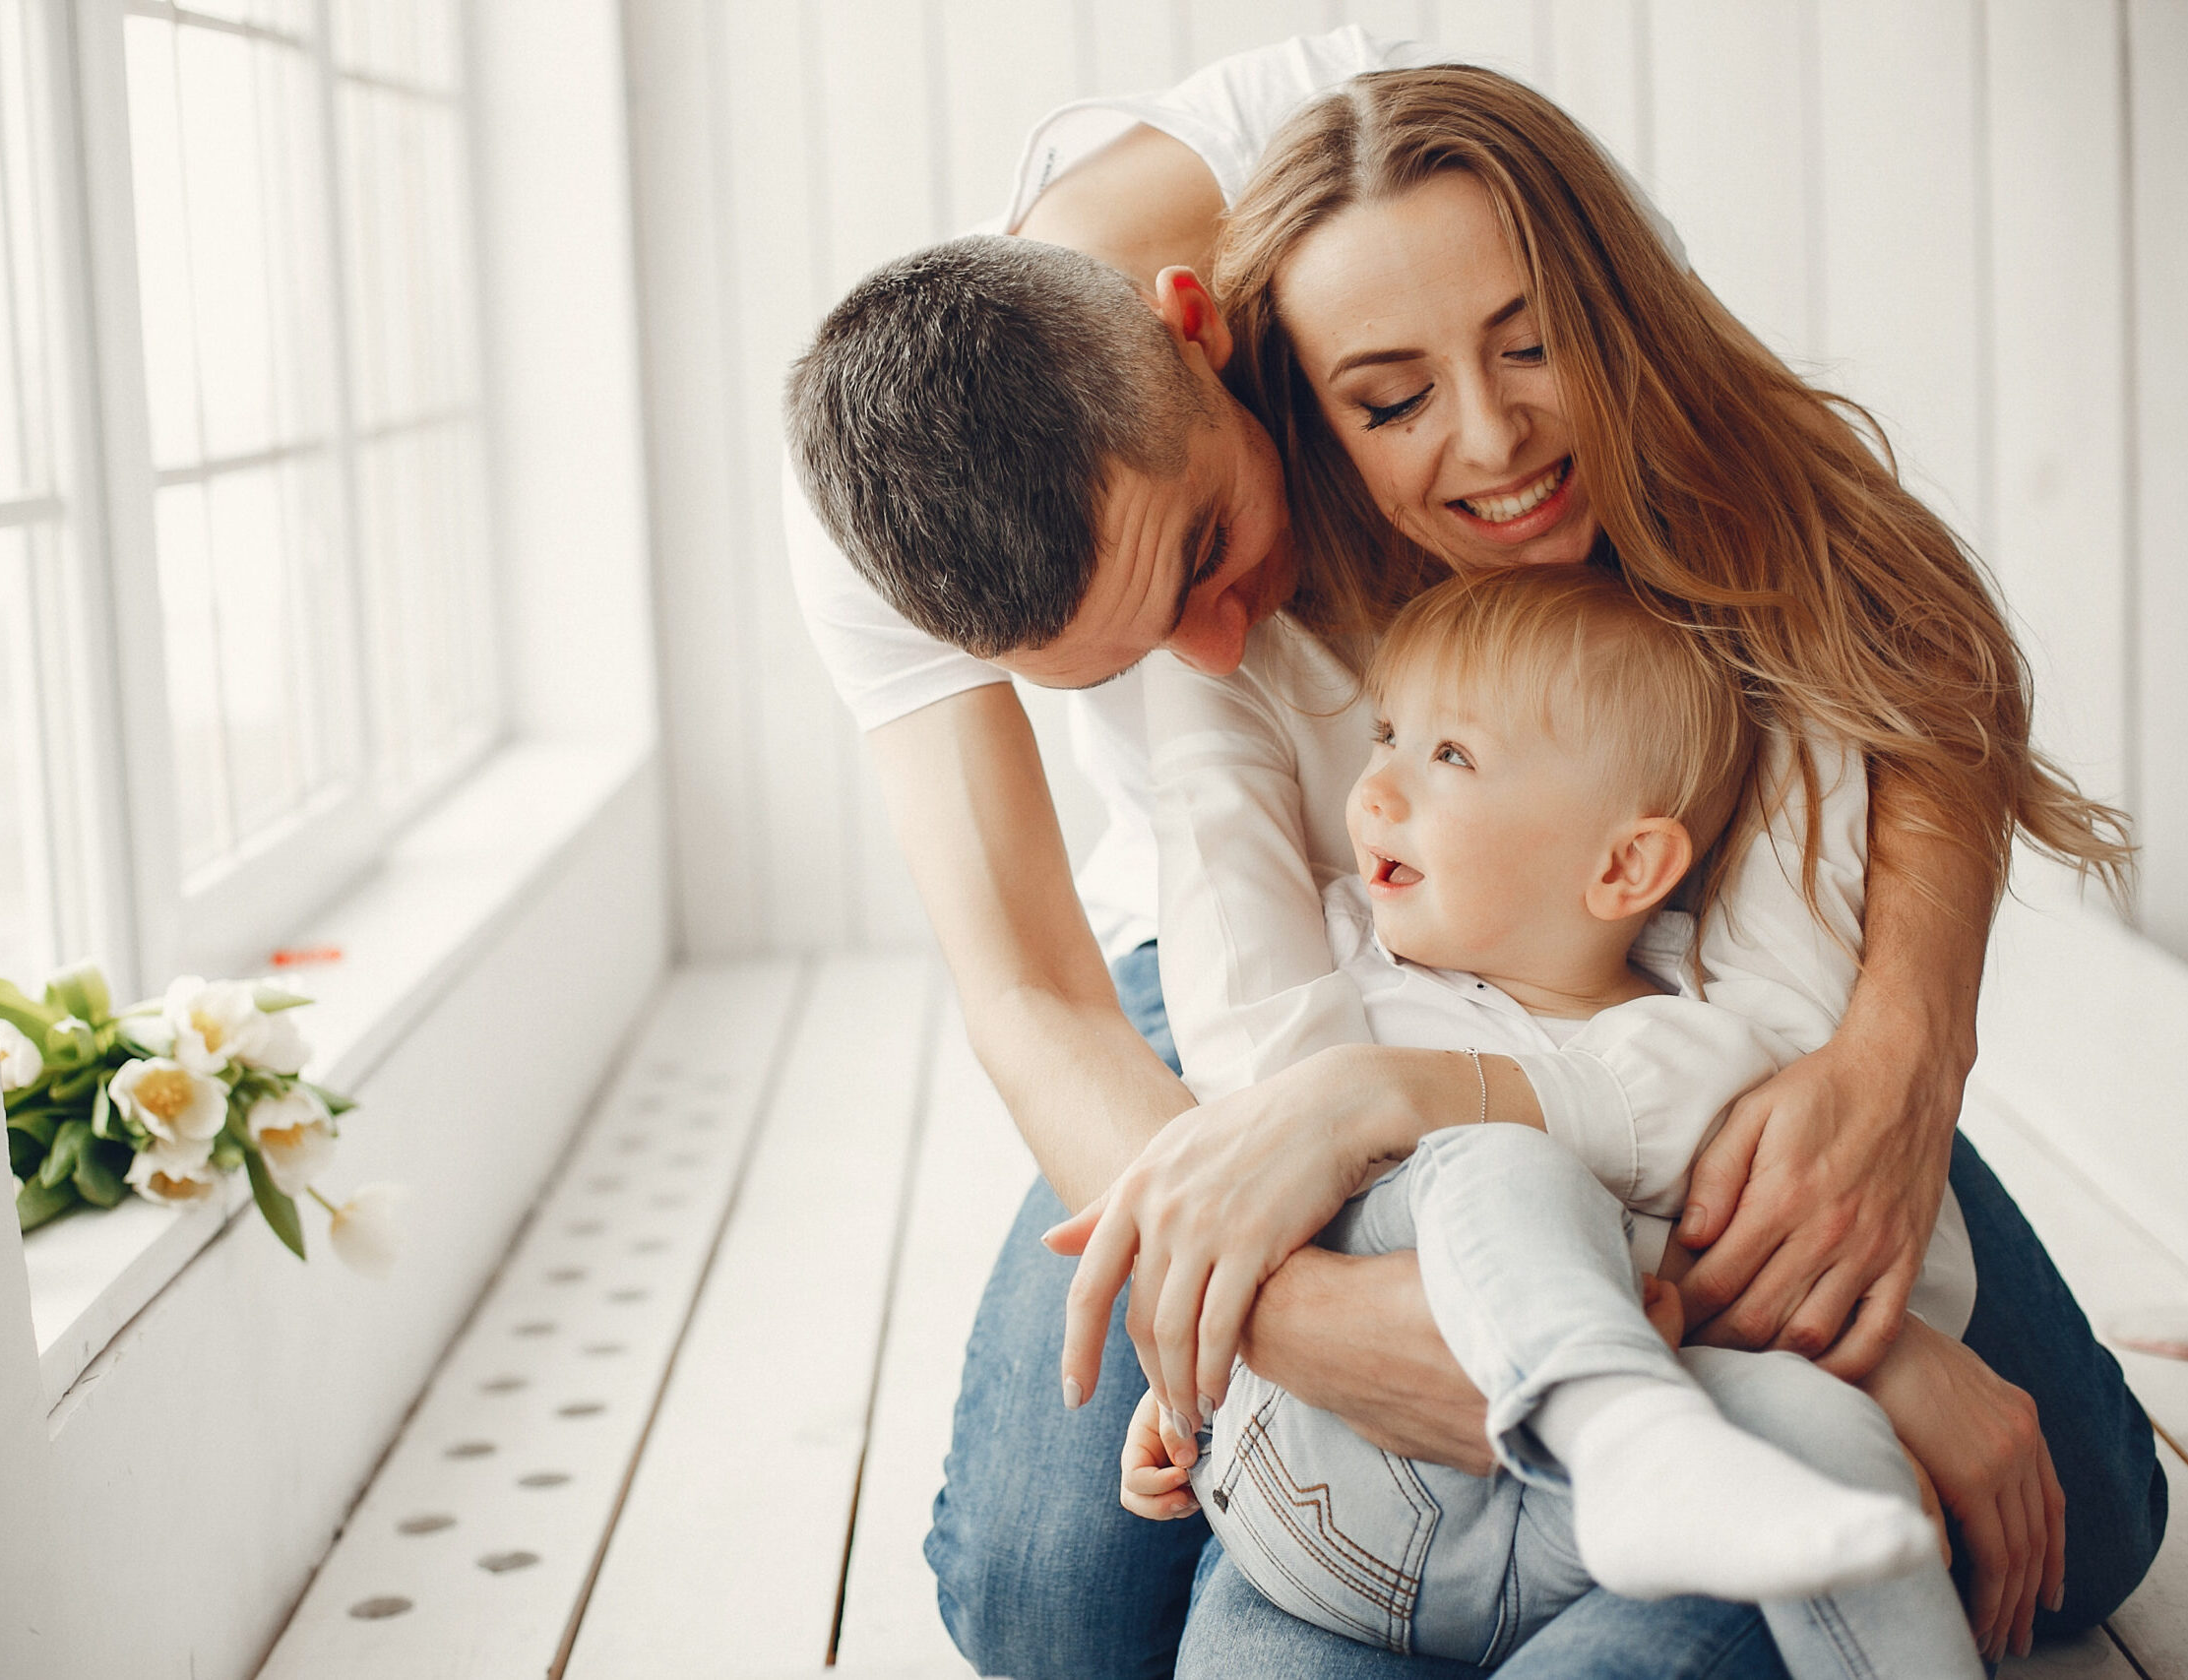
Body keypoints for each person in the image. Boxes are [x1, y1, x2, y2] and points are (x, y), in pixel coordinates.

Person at [781, 30, 2163, 1678]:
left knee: (2078, 1516)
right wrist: (1304, 1318)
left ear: (1205, 327)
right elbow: (1034, 993)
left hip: (1607, 964)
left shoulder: (1394, 192)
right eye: (1138, 654)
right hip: (1255, 968)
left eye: (1212, 548)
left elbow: (1861, 611)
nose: (1218, 653)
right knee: (1050, 1606)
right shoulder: (887, 514)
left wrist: (1900, 1053)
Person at [1102, 564, 1975, 1677]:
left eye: (1449, 755)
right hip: (1348, 1503)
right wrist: (1203, 1386)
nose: (1373, 790)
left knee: (1841, 1457)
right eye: (1383, 736)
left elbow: (1795, 1267)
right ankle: (1624, 1443)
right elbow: (1252, 1197)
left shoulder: (1699, 1044)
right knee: (1493, 1164)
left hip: (1566, 1534)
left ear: (1623, 866)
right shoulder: (1346, 987)